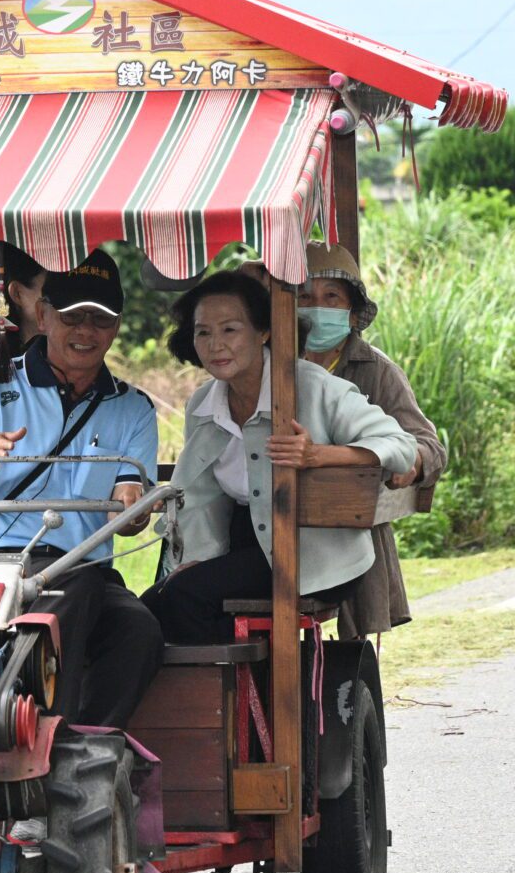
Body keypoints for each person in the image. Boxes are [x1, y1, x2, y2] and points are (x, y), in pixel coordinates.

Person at [0, 252, 164, 731]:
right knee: (74, 593)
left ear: (116, 328)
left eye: (101, 319)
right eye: (73, 316)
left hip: (85, 565)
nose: (86, 331)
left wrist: (135, 510)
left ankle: (82, 742)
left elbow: (133, 498)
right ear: (44, 314)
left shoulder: (133, 408)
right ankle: (34, 735)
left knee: (139, 630)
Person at [144, 269, 419, 647]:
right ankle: (226, 696)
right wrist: (196, 558)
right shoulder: (203, 404)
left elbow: (402, 446)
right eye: (203, 332)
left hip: (315, 549)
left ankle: (241, 697)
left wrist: (318, 455)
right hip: (243, 545)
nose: (215, 345)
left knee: (186, 599)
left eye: (230, 329)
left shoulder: (313, 386)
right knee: (147, 610)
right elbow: (203, 496)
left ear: (263, 332)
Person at [296, 245, 443, 636]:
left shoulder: (376, 369)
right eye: (305, 296)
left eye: (331, 297)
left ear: (351, 308)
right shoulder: (267, 365)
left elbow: (428, 445)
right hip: (283, 528)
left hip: (355, 527)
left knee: (351, 658)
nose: (316, 307)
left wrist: (408, 465)